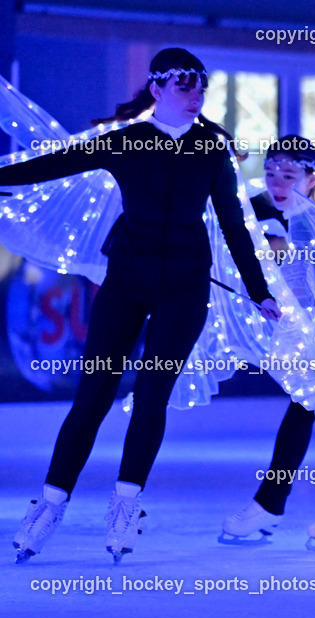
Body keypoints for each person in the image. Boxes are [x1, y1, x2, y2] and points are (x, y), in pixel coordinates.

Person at [0, 48, 281, 563]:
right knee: (93, 398)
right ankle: (50, 504)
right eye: (183, 86)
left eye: (200, 87)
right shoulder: (126, 141)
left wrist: (259, 288)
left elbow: (234, 224)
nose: (194, 96)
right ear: (156, 88)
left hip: (185, 287)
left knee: (152, 396)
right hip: (126, 283)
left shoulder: (212, 148)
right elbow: (54, 165)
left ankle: (126, 505)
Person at [221, 136, 315, 548]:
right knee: (311, 405)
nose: (277, 181)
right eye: (271, 172)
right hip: (314, 330)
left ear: (311, 177)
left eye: (289, 174)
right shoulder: (265, 213)